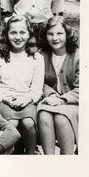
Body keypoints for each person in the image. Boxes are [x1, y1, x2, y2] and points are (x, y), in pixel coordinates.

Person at [0, 15, 44, 154]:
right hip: (4, 99)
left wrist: (26, 99)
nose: (18, 37)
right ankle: (9, 154)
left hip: (27, 99)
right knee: (12, 123)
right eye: (13, 32)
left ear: (29, 34)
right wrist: (6, 99)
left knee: (28, 123)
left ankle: (30, 154)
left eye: (22, 32)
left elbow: (37, 90)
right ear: (6, 34)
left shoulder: (37, 58)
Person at [37, 16, 79, 154]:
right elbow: (37, 81)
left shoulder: (79, 56)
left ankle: (66, 161)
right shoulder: (40, 56)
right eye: (50, 34)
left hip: (74, 103)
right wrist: (52, 94)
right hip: (50, 100)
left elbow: (83, 89)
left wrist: (61, 100)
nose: (55, 38)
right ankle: (50, 161)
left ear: (67, 34)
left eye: (60, 33)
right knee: (43, 114)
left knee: (61, 118)